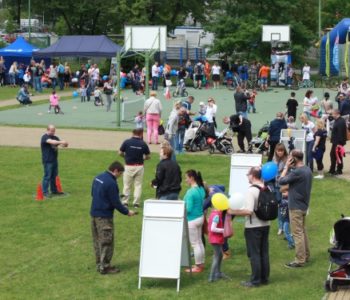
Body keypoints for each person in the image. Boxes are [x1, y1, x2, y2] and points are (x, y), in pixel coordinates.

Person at [90, 161, 135, 275]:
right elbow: (116, 203)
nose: (120, 176)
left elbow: (94, 193)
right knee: (107, 241)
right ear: (115, 171)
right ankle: (105, 266)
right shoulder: (111, 183)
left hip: (94, 214)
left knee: (98, 240)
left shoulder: (98, 177)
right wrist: (127, 212)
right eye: (120, 174)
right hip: (104, 217)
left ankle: (99, 263)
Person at [230, 167, 270, 287]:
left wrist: (232, 212)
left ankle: (255, 280)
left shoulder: (251, 190)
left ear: (252, 175)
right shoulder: (266, 187)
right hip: (266, 224)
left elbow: (248, 211)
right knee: (264, 252)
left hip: (254, 226)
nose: (247, 177)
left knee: (254, 253)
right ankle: (264, 278)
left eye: (248, 174)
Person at [279, 149, 313, 268]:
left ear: (294, 159)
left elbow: (281, 181)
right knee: (303, 232)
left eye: (290, 156)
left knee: (297, 233)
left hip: (295, 207)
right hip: (304, 205)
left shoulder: (296, 172)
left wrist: (286, 167)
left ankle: (299, 260)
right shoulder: (307, 169)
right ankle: (306, 255)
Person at [119, 128, 150, 208]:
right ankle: (136, 203)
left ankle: (125, 202)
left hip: (128, 166)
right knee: (138, 185)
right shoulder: (143, 143)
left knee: (127, 185)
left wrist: (125, 157)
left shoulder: (127, 142)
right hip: (139, 166)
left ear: (132, 133)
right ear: (141, 134)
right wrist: (143, 158)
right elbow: (148, 156)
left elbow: (120, 152)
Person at [184, 169, 207, 273]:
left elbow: (188, 209)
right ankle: (201, 263)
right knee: (199, 241)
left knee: (194, 243)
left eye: (187, 178)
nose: (185, 180)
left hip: (192, 220)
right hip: (200, 217)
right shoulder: (201, 188)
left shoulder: (190, 192)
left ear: (192, 178)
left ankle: (198, 266)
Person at [40, 125, 68, 198]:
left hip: (54, 160)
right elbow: (52, 142)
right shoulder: (44, 137)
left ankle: (54, 190)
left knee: (54, 176)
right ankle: (45, 192)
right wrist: (61, 141)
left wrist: (65, 144)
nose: (53, 132)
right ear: (47, 130)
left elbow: (62, 145)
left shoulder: (55, 138)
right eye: (51, 131)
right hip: (47, 160)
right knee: (47, 176)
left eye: (54, 131)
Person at [273, 143, 288, 236]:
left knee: (285, 207)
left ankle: (286, 226)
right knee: (279, 206)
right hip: (276, 186)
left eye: (281, 150)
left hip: (284, 186)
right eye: (278, 150)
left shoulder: (287, 160)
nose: (280, 152)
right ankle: (280, 227)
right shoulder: (274, 159)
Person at [208, 206, 225, 282]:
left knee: (220, 255)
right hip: (215, 239)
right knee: (216, 257)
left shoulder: (214, 213)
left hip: (216, 239)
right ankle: (211, 277)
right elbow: (213, 228)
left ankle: (218, 273)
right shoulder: (216, 215)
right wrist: (223, 230)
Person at [329, 109, 347, 175]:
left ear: (336, 113)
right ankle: (332, 169)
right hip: (335, 142)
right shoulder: (338, 120)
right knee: (333, 155)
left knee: (338, 156)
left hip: (338, 142)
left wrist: (339, 144)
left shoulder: (340, 121)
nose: (332, 115)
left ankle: (339, 170)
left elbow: (341, 133)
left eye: (333, 113)